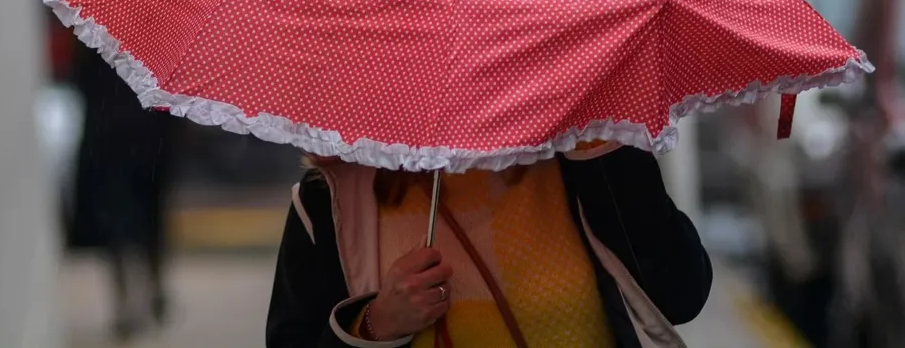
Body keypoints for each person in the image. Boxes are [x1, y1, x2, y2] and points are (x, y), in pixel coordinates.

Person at [266, 142, 712, 347]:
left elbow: (680, 295)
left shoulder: (581, 156)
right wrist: (374, 323)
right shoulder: (333, 201)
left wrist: (606, 149)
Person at [66, 44, 174, 342]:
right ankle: (151, 289)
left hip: (112, 135)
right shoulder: (154, 32)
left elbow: (78, 78)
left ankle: (130, 300)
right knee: (146, 216)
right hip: (148, 136)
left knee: (121, 220)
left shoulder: (94, 28)